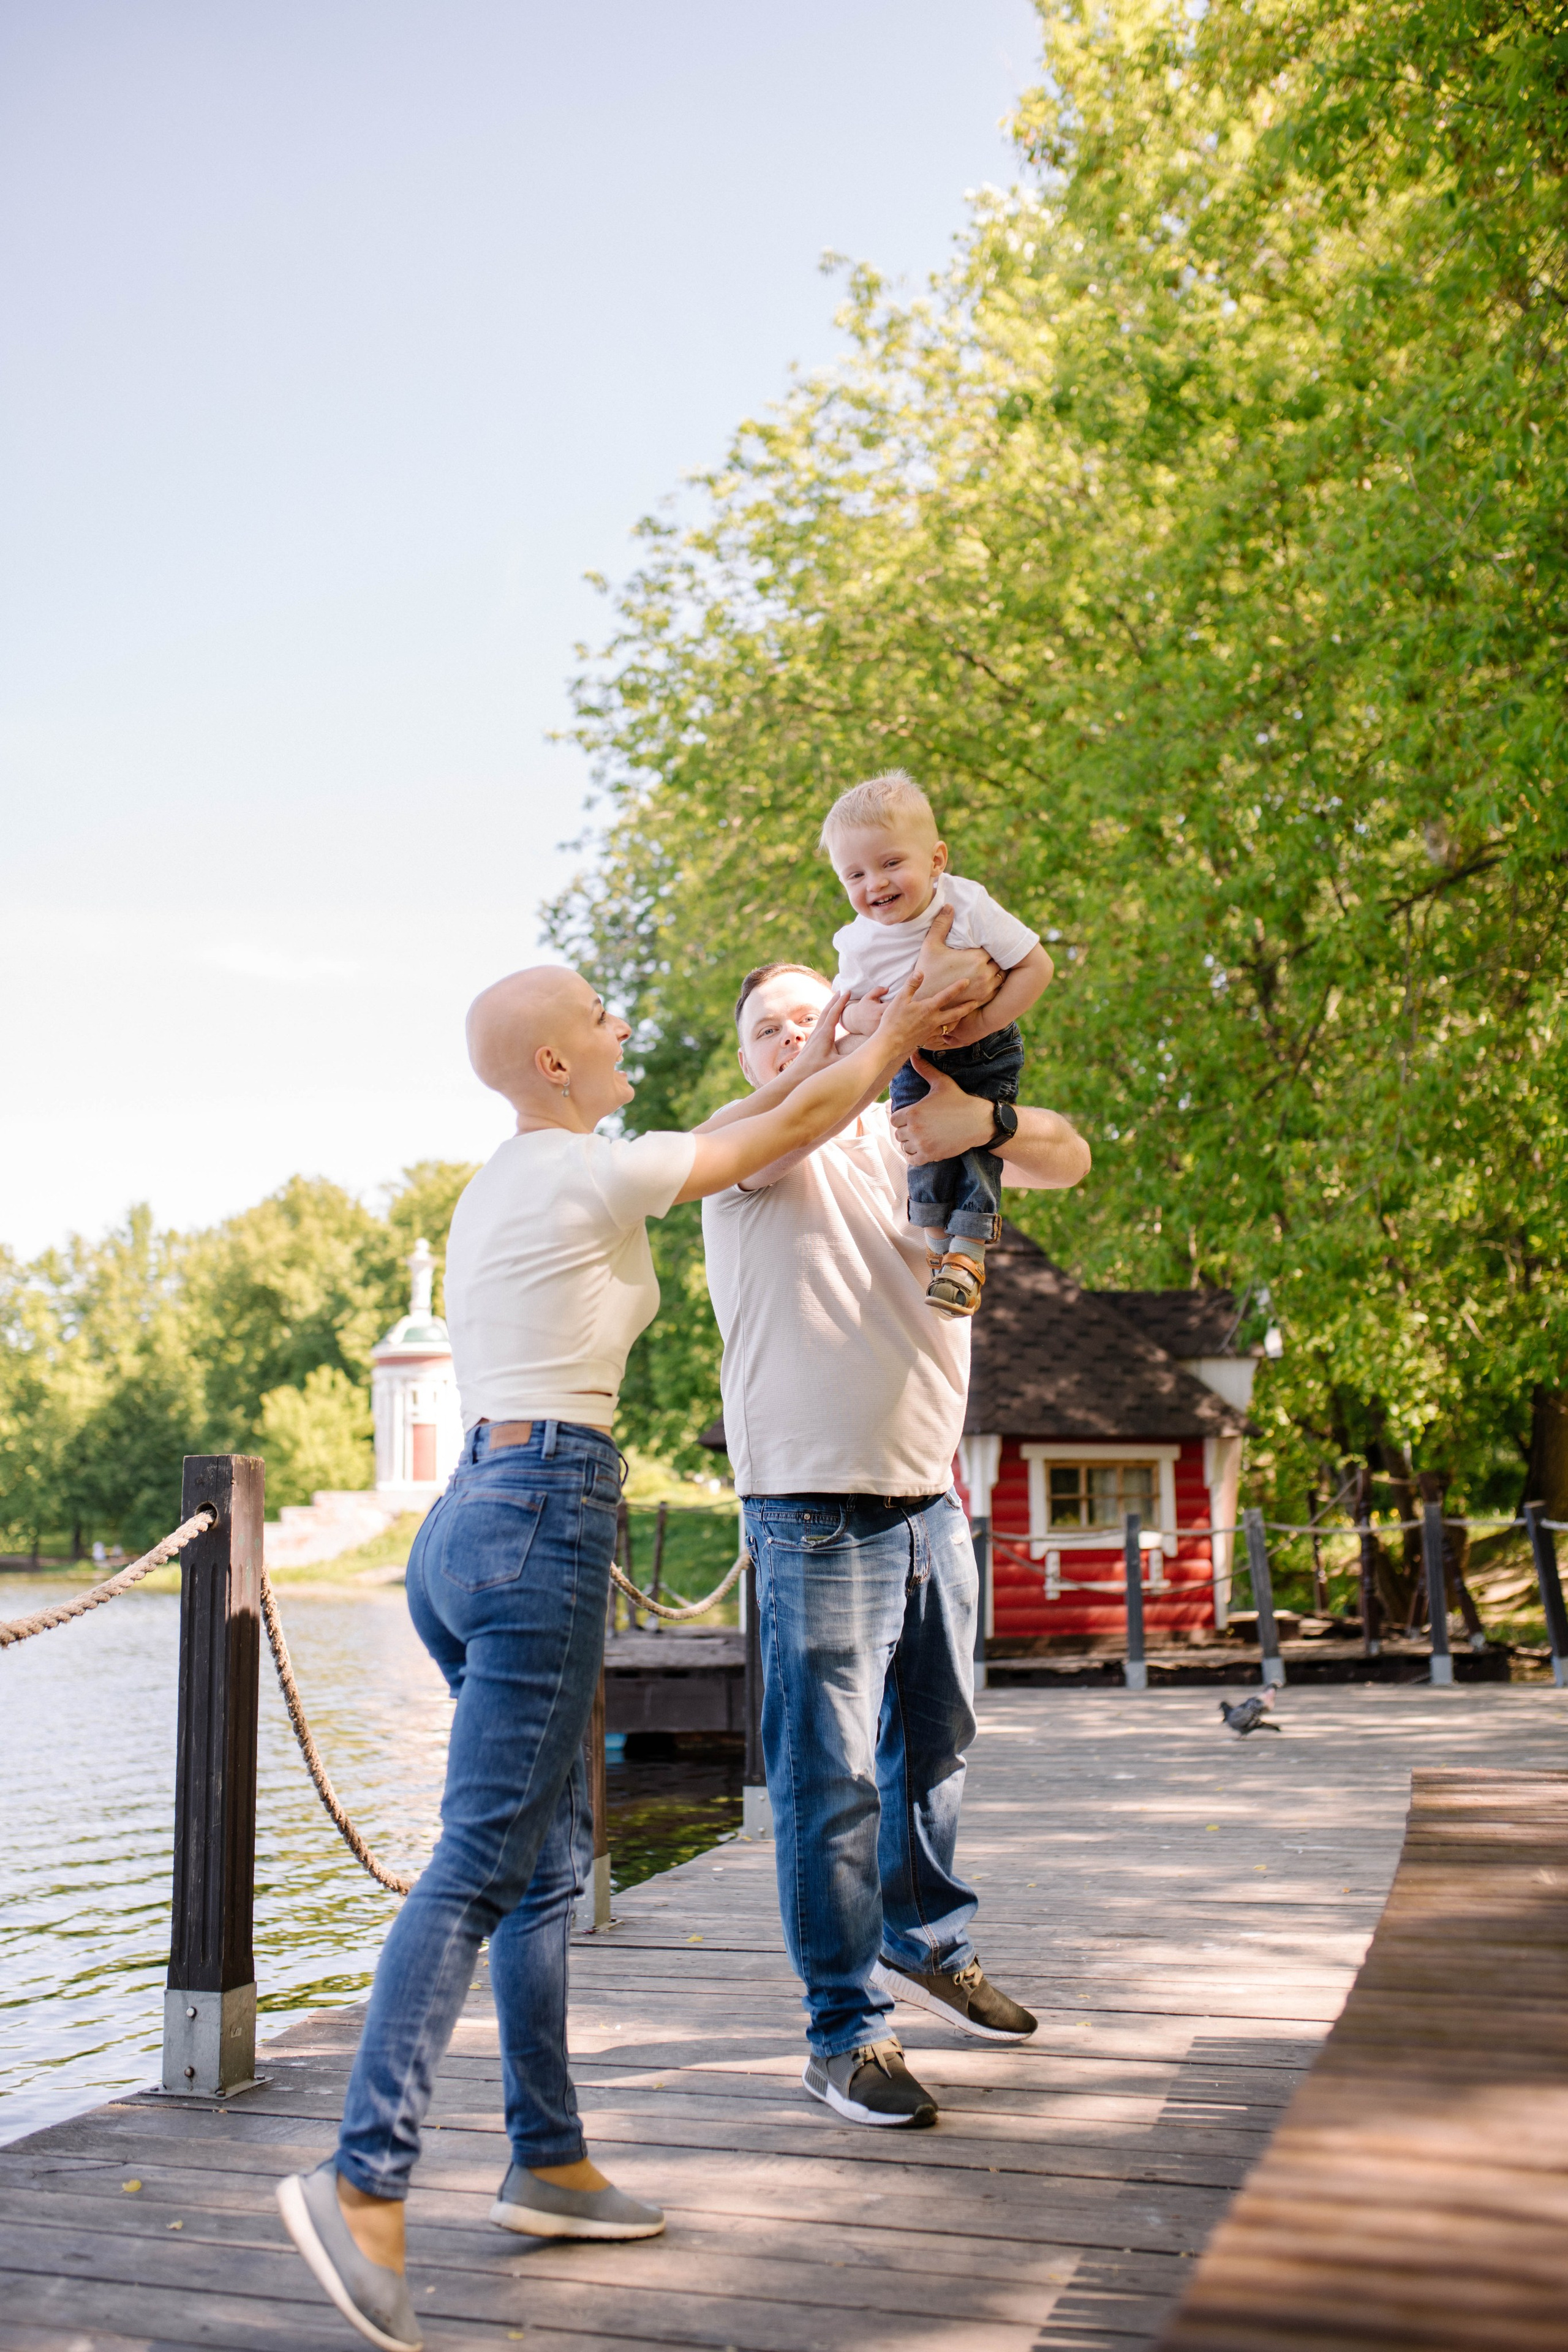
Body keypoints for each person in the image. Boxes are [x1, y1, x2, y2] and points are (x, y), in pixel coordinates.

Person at [276, 957, 971, 2352]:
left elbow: (783, 1101)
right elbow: (776, 1132)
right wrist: (890, 1030)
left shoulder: (508, 1179)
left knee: (542, 1871)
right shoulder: (582, 1169)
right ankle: (362, 2179)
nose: (619, 1025)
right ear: (549, 1063)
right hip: (539, 1519)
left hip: (470, 1513)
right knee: (483, 1861)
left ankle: (548, 2160)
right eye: (597, 1014)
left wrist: (842, 1033)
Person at [700, 950, 1090, 2131]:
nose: (793, 1036)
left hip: (932, 1496)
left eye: (813, 1015)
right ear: (749, 1055)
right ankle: (845, 2034)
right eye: (771, 1025)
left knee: (940, 1744)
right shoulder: (739, 1144)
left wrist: (989, 1110)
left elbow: (1068, 1156)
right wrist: (849, 1046)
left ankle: (928, 1941)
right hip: (812, 1506)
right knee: (831, 1783)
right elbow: (795, 1102)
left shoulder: (914, 1140)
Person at [824, 770, 1052, 1318]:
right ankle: (937, 1252)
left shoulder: (966, 905)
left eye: (890, 863)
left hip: (986, 1047)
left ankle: (968, 1253)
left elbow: (1035, 967)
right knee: (921, 1148)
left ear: (936, 859)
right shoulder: (856, 940)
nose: (874, 884)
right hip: (915, 1058)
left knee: (976, 1146)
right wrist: (867, 1013)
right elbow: (842, 1008)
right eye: (854, 874)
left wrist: (980, 1024)